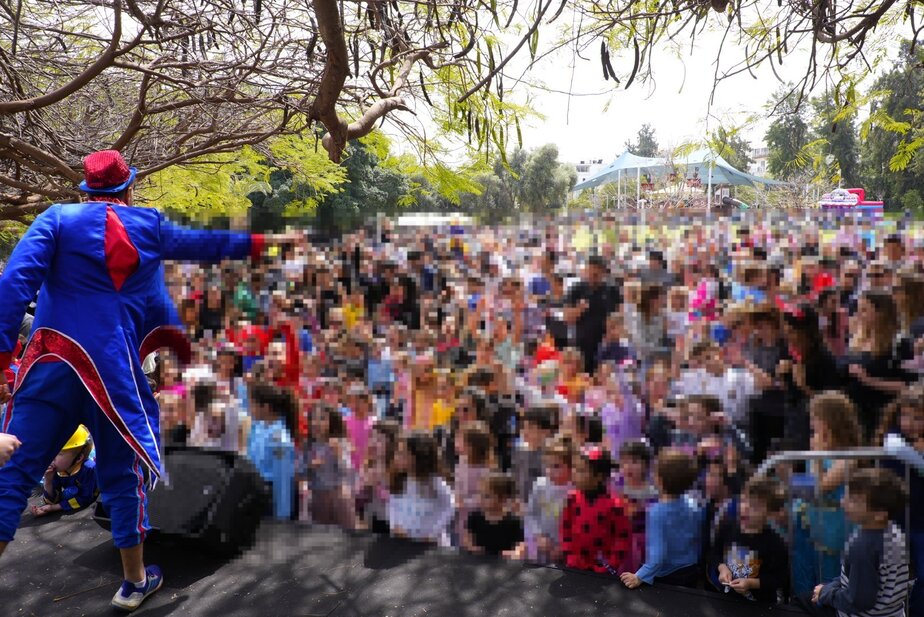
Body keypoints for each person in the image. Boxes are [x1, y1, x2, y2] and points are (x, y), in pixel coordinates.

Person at [0, 150, 293, 612]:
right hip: (113, 374)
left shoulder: (57, 218)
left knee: (13, 473)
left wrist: (3, 359)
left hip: (53, 361)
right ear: (129, 188)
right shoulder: (150, 224)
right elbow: (208, 244)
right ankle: (134, 581)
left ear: (84, 188)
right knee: (121, 476)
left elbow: (15, 282)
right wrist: (263, 243)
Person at [800, 468, 912, 617]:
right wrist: (831, 586)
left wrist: (825, 593)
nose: (843, 502)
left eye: (853, 500)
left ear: (879, 514)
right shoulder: (894, 532)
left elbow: (858, 601)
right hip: (892, 613)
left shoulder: (863, 547)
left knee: (799, 603)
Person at [620, 448, 702, 589]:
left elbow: (657, 555)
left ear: (659, 480)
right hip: (690, 569)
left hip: (668, 576)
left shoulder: (657, 512)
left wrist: (639, 576)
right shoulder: (694, 505)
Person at [709, 477, 789, 604]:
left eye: (754, 506)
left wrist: (751, 583)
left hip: (760, 605)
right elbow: (714, 553)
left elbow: (779, 578)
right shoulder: (727, 528)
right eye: (743, 501)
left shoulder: (775, 543)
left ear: (769, 514)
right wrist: (722, 568)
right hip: (727, 600)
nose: (745, 507)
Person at [560, 445, 631, 574]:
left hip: (602, 571)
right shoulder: (572, 499)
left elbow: (622, 538)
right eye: (575, 468)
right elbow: (566, 529)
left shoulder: (615, 505)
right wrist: (569, 556)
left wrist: (609, 566)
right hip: (576, 567)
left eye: (581, 470)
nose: (575, 474)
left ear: (599, 476)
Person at [31, 425, 100, 517]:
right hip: (73, 489)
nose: (51, 457)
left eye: (58, 453)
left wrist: (55, 508)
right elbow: (54, 499)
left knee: (72, 492)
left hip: (96, 489)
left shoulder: (89, 469)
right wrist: (48, 481)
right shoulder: (59, 469)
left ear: (79, 458)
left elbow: (86, 497)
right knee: (70, 492)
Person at [463, 472, 524, 558]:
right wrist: (471, 547)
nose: (481, 499)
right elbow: (467, 537)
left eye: (487, 496)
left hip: (503, 564)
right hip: (478, 562)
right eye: (480, 494)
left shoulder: (513, 521)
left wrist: (515, 552)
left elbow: (520, 544)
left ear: (502, 499)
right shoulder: (475, 517)